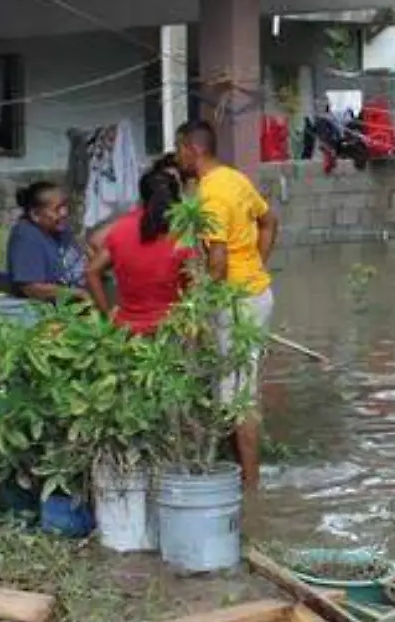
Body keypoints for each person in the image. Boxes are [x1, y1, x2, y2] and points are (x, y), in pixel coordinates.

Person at [174, 119, 279, 487]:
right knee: (232, 386)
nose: (177, 157)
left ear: (192, 149)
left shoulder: (212, 193)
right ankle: (238, 474)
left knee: (237, 397)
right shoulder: (235, 178)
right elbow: (269, 222)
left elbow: (216, 262)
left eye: (179, 149)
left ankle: (251, 486)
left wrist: (195, 311)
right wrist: (256, 267)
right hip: (255, 295)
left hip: (235, 303)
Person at [84, 167, 197, 335]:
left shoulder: (120, 229)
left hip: (128, 331)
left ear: (142, 196)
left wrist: (107, 315)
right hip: (171, 330)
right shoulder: (182, 233)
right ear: (176, 197)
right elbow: (195, 284)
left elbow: (92, 271)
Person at [5, 181, 86, 303]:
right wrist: (77, 294)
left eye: (65, 206)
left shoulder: (60, 229)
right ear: (35, 214)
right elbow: (30, 288)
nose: (64, 213)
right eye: (57, 209)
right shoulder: (26, 236)